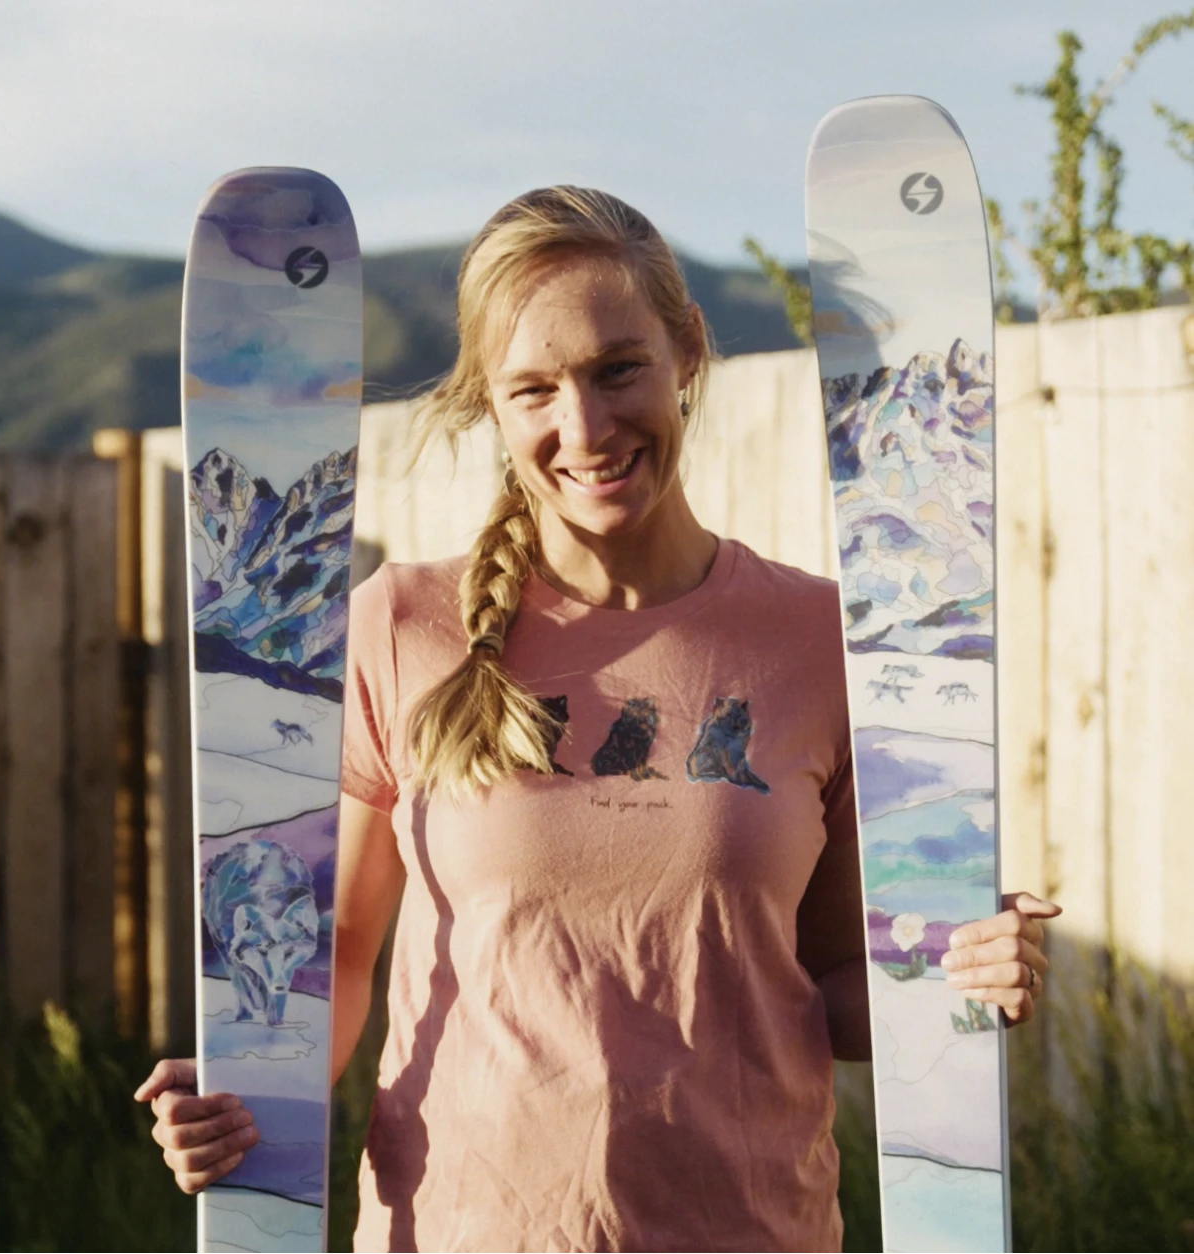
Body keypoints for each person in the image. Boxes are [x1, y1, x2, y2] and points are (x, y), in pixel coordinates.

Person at [135, 185, 1062, 1253]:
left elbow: (833, 988)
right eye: (532, 389)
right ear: (490, 403)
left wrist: (946, 972)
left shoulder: (820, 640)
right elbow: (339, 947)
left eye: (617, 369)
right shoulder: (401, 626)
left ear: (687, 352)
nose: (582, 428)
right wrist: (248, 1080)